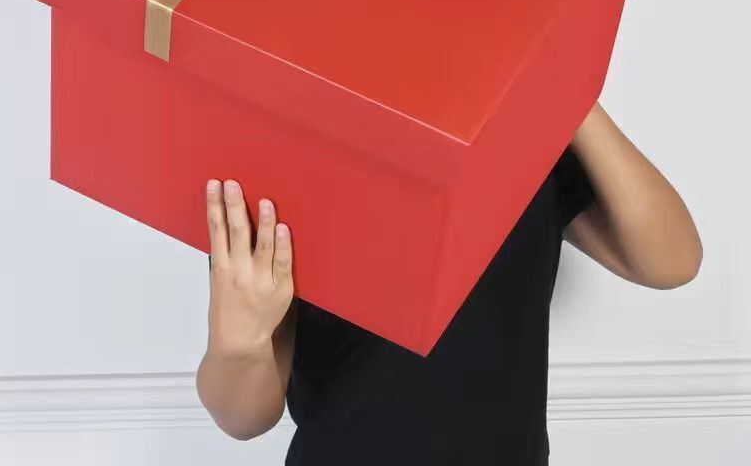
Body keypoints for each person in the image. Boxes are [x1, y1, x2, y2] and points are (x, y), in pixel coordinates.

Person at [195, 101, 702, 465]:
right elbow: (244, 418)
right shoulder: (282, 148)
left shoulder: (520, 130)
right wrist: (239, 345)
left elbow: (673, 261)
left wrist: (570, 90)